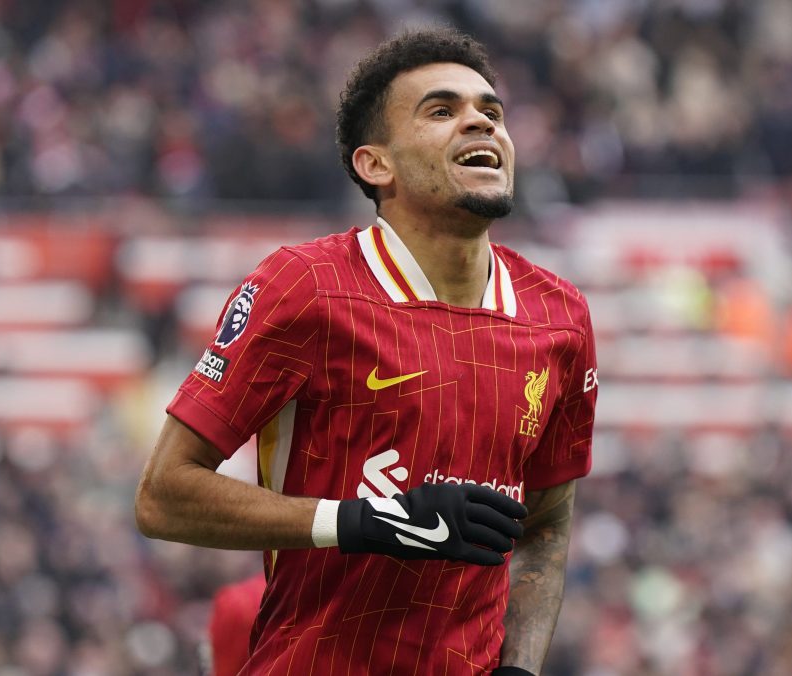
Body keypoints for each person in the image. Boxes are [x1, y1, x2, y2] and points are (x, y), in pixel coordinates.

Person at [135, 27, 598, 675]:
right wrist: (364, 522)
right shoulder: (304, 288)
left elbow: (546, 526)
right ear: (374, 164)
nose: (480, 124)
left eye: (491, 113)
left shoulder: (561, 314)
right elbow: (164, 496)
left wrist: (518, 668)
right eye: (443, 111)